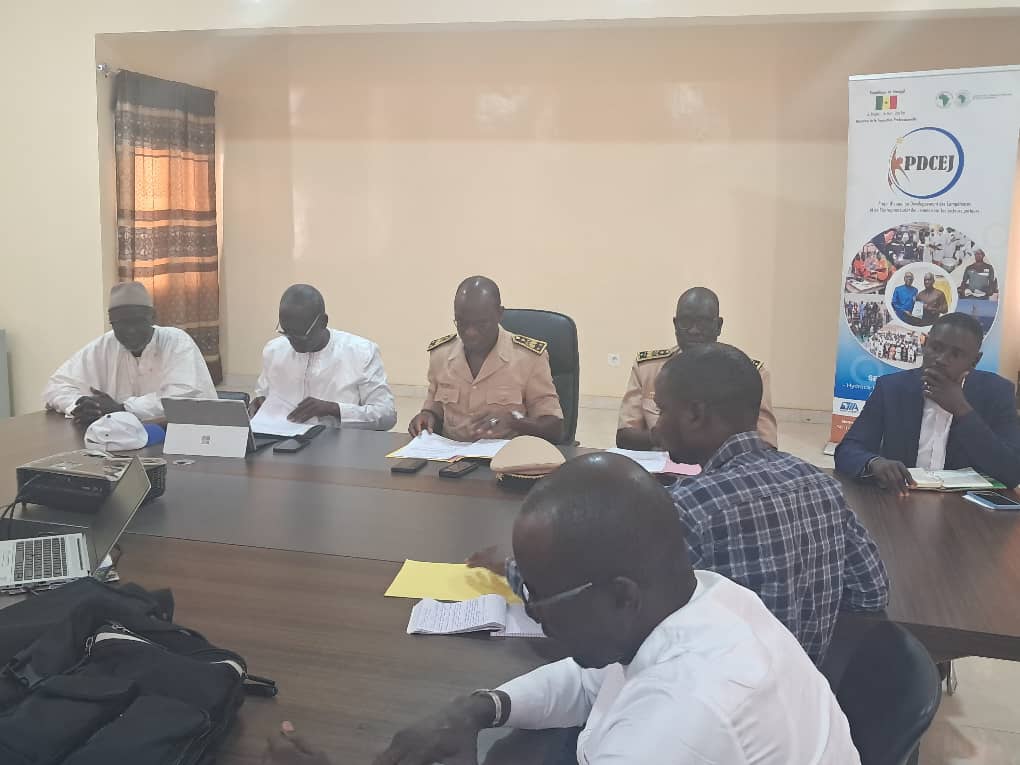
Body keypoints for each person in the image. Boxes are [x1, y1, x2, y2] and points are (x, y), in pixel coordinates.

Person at [266, 453, 863, 765]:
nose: (535, 616)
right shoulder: (709, 597)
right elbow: (591, 679)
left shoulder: (678, 725)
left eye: (543, 599)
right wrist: (477, 708)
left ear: (622, 595)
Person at [835, 312, 1020, 493]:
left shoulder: (997, 392)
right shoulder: (891, 388)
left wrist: (961, 409)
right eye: (936, 348)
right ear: (924, 344)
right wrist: (874, 462)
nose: (941, 359)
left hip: (966, 504)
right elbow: (847, 449)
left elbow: (1012, 472)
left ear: (975, 361)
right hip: (902, 496)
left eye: (956, 354)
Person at [615, 287, 778, 450]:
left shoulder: (749, 374)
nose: (694, 330)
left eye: (703, 322)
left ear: (718, 325)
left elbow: (767, 445)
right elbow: (624, 436)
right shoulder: (647, 368)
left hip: (726, 463)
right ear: (675, 325)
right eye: (685, 322)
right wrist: (666, 437)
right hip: (662, 461)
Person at [407, 276, 563, 443]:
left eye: (481, 324)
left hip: (506, 455)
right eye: (462, 323)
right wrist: (426, 417)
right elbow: (435, 410)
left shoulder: (528, 358)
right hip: (451, 455)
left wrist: (514, 422)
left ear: (499, 314)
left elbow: (554, 427)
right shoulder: (441, 354)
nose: (470, 332)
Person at [43, 282, 216, 427]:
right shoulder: (105, 345)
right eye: (121, 324)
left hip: (182, 436)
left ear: (153, 317)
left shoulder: (176, 341)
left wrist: (123, 408)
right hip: (121, 441)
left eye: (137, 321)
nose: (130, 331)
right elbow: (56, 386)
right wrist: (81, 405)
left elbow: (180, 400)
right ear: (111, 323)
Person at [250, 285, 396, 429]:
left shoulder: (361, 353)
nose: (292, 340)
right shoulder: (274, 350)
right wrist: (258, 405)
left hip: (338, 441)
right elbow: (262, 395)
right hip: (278, 440)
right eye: (286, 332)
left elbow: (386, 415)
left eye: (301, 335)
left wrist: (335, 409)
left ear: (323, 322)